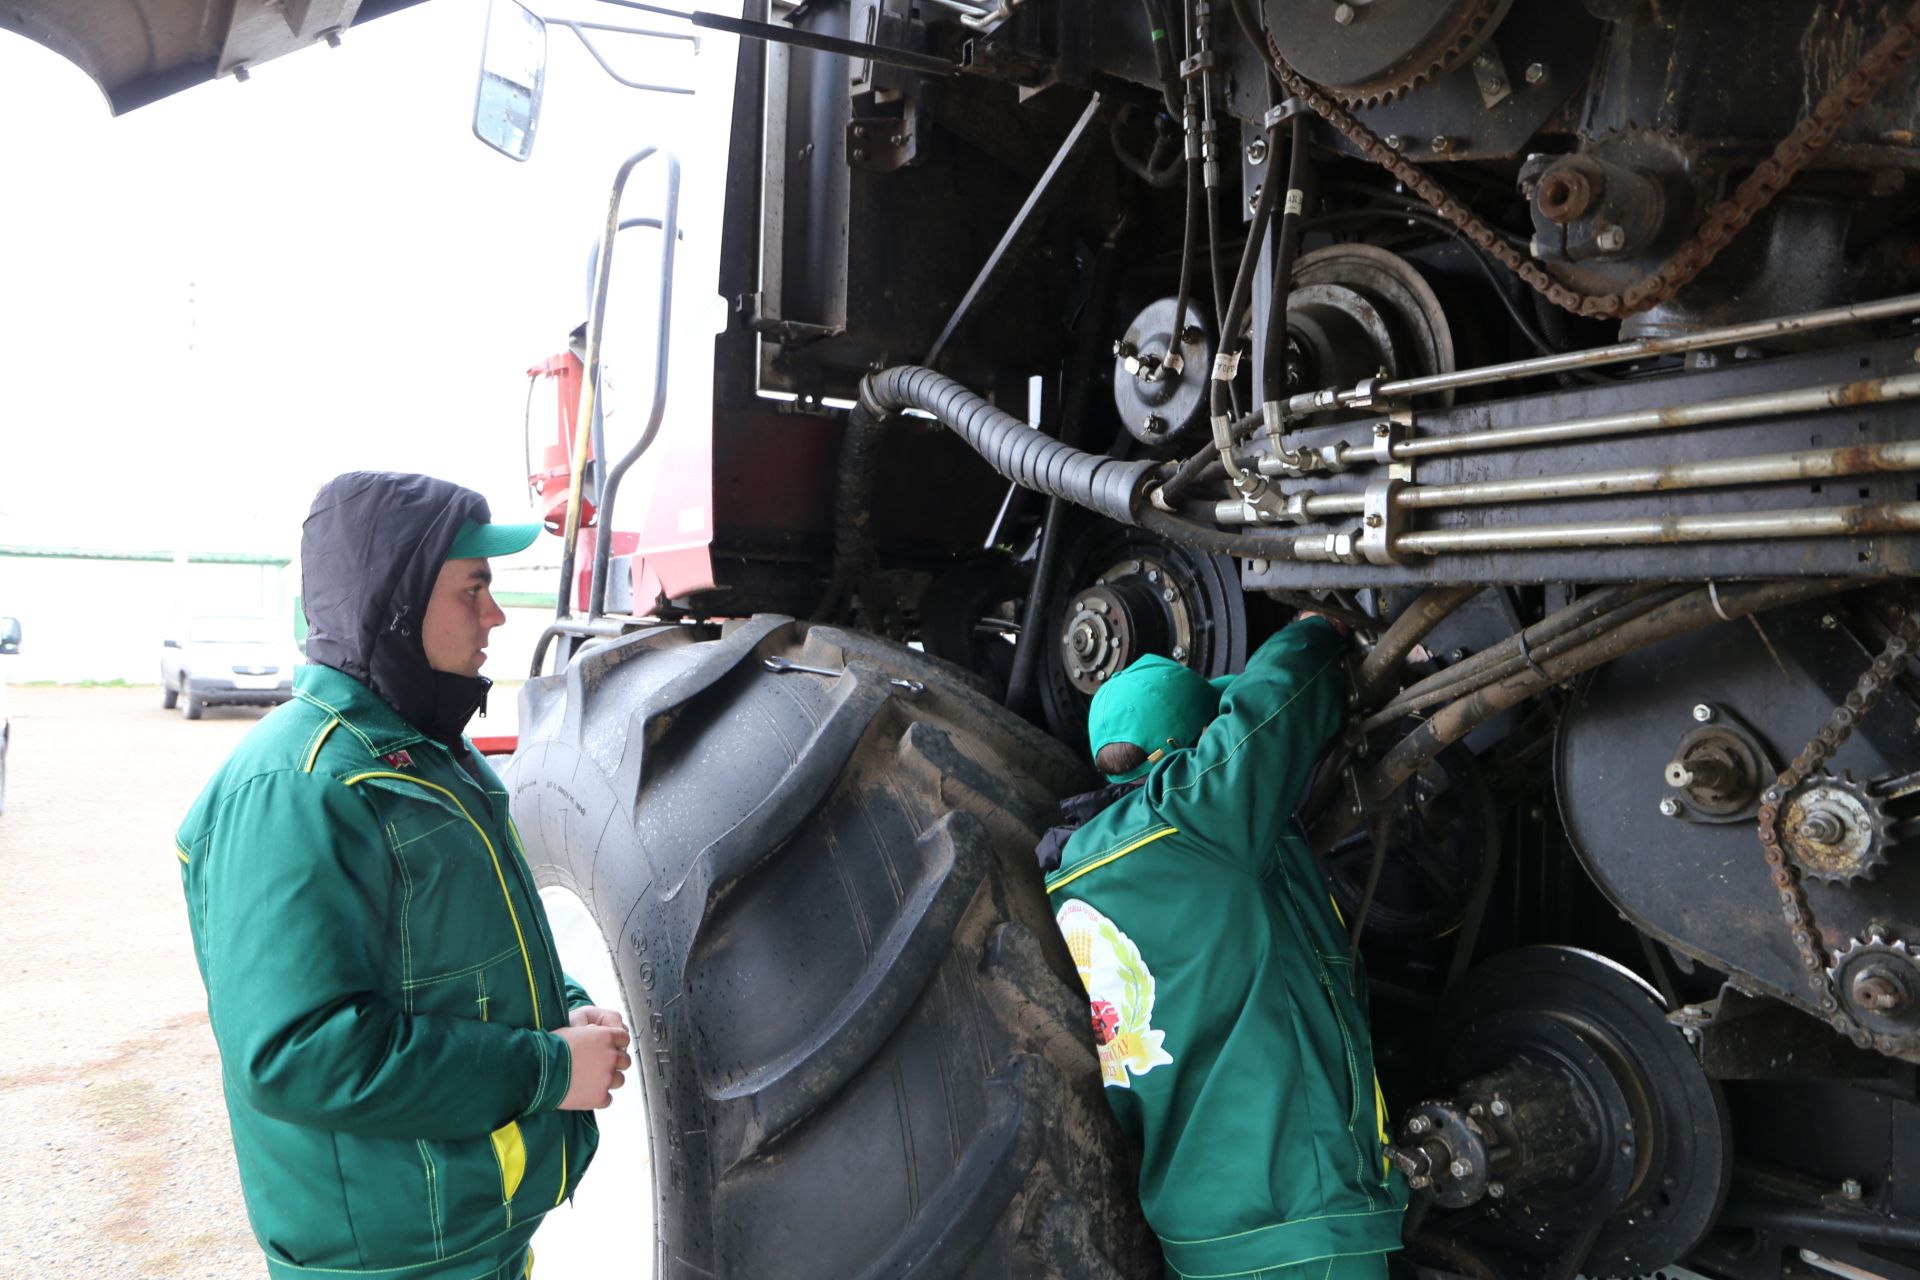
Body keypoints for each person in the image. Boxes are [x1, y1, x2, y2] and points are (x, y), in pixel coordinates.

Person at [176, 471, 630, 1280]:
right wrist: (549, 1069)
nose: (495, 616)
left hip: (470, 1241)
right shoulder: (300, 788)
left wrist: (559, 1006)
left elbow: (462, 955)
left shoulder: (427, 757)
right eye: (474, 590)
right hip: (393, 1263)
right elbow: (298, 1052)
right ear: (393, 602)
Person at [1037, 615, 1406, 1280]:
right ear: (1188, 747)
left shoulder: (1071, 882)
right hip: (1295, 1217)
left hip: (1196, 1239)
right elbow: (1273, 704)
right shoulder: (1196, 817)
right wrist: (1317, 629)